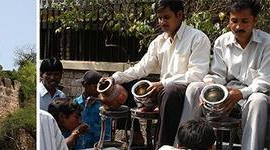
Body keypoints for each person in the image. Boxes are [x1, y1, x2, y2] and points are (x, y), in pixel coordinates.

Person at [103, 0, 211, 148]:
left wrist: (163, 83)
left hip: (186, 90)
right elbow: (141, 68)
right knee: (127, 86)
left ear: (179, 15)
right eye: (159, 18)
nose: (161, 22)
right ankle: (135, 137)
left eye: (166, 17)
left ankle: (163, 145)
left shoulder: (197, 38)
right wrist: (114, 78)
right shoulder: (159, 42)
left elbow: (197, 74)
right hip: (163, 90)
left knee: (170, 92)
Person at [183, 1, 270, 149]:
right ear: (229, 20)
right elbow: (217, 74)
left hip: (252, 94)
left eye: (244, 21)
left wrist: (241, 93)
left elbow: (265, 80)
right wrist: (211, 89)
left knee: (258, 100)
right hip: (226, 93)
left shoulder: (267, 43)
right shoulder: (221, 42)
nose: (238, 27)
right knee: (195, 88)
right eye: (234, 21)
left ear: (255, 20)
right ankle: (186, 144)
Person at [72, 70, 112, 148]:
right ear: (86, 85)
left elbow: (107, 131)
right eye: (95, 87)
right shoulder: (75, 103)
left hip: (97, 146)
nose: (98, 90)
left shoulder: (103, 106)